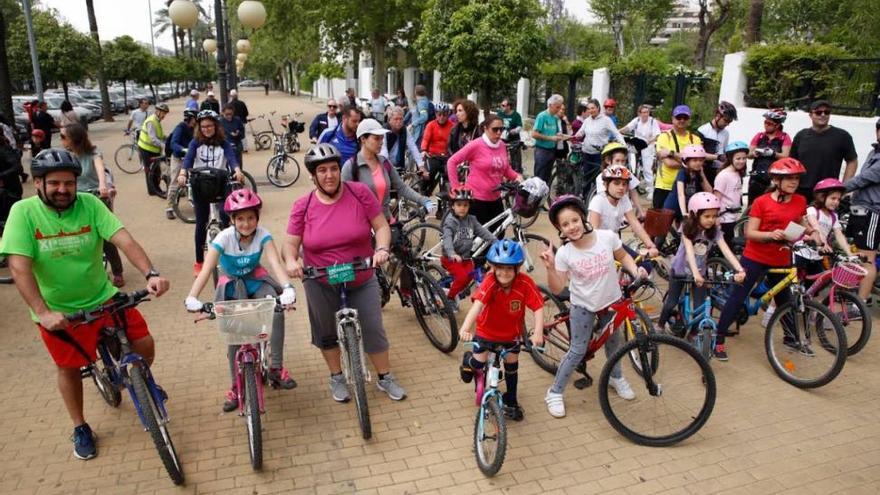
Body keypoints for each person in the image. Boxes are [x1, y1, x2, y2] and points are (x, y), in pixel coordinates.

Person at [0, 148, 170, 460]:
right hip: (60, 311)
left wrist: (151, 272)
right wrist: (43, 313)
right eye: (54, 183)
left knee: (143, 343)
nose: (63, 190)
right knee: (68, 368)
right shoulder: (22, 213)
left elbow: (124, 239)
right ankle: (80, 426)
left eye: (69, 183)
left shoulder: (90, 204)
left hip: (103, 297)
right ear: (38, 183)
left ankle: (140, 382)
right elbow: (19, 268)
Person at [283, 143, 407, 402]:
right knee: (326, 330)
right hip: (320, 279)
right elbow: (290, 243)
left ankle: (385, 377)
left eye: (333, 169)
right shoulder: (302, 205)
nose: (329, 175)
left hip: (360, 275)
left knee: (373, 326)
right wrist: (292, 261)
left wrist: (382, 249)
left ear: (340, 170)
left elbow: (381, 226)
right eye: (322, 170)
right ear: (313, 176)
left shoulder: (360, 193)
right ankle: (336, 376)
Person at [184, 189, 298, 411]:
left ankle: (276, 367)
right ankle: (236, 386)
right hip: (232, 285)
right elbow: (207, 269)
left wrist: (287, 288)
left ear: (257, 218)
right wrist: (192, 297)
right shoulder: (223, 238)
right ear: (232, 220)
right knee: (234, 336)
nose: (246, 223)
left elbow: (275, 263)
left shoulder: (263, 235)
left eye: (251, 217)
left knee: (276, 308)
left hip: (256, 280)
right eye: (241, 218)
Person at [541, 195, 646, 418]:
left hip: (611, 302)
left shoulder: (606, 237)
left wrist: (636, 271)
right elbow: (559, 287)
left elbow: (623, 256)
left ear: (583, 218)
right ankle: (555, 391)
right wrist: (551, 268)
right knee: (578, 350)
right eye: (565, 224)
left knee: (613, 343)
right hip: (583, 306)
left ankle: (616, 377)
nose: (572, 227)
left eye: (574, 220)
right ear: (560, 229)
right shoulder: (566, 254)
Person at [712, 158, 819, 361]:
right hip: (756, 256)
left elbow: (800, 221)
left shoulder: (800, 200)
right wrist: (770, 235)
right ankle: (718, 339)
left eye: (796, 178)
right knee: (738, 296)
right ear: (776, 180)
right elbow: (750, 233)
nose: (794, 182)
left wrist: (812, 231)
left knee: (784, 300)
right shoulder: (762, 202)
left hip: (781, 258)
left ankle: (791, 338)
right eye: (788, 179)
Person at [458, 239, 544, 421]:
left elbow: (538, 307)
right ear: (493, 267)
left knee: (512, 366)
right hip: (486, 332)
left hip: (511, 335)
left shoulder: (525, 283)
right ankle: (468, 361)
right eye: (500, 268)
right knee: (477, 364)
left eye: (509, 268)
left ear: (517, 268)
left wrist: (538, 332)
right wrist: (465, 328)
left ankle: (511, 401)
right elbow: (477, 306)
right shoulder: (489, 282)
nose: (504, 273)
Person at [656, 193, 745, 335]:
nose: (711, 220)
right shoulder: (687, 227)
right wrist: (695, 273)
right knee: (671, 302)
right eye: (707, 216)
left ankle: (694, 334)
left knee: (700, 306)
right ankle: (660, 326)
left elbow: (726, 250)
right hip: (680, 270)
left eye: (714, 216)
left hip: (700, 273)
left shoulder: (714, 231)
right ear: (695, 214)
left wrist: (740, 269)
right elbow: (690, 251)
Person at [177, 110, 244, 277]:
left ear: (216, 126)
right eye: (203, 126)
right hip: (200, 184)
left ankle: (230, 254)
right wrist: (183, 172)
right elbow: (188, 159)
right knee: (201, 222)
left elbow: (231, 158)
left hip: (220, 183)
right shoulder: (195, 143)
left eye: (210, 125)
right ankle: (199, 261)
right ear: (199, 127)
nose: (207, 129)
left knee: (226, 215)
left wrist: (237, 170)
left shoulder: (223, 143)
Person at [60, 123, 124, 287]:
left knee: (106, 237)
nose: (61, 140)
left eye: (63, 137)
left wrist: (103, 186)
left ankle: (117, 272)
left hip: (96, 196)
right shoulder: (65, 156)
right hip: (76, 199)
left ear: (74, 138)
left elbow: (100, 168)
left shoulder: (93, 152)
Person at [342, 118, 435, 222]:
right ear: (363, 139)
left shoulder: (384, 163)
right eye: (377, 138)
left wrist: (423, 200)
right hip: (362, 226)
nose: (381, 142)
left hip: (386, 222)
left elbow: (402, 188)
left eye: (382, 138)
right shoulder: (350, 167)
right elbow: (342, 201)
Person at [447, 114, 523, 225]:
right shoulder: (476, 145)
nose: (498, 133)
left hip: (496, 198)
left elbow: (505, 169)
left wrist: (517, 177)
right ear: (485, 128)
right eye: (495, 129)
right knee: (478, 239)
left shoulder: (502, 145)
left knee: (498, 236)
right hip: (477, 199)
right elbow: (451, 162)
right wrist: (455, 188)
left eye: (501, 129)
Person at [790, 100, 858, 203]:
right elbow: (792, 162)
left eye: (826, 112)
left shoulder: (842, 136)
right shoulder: (801, 136)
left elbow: (852, 161)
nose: (823, 115)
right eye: (818, 112)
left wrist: (844, 187)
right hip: (800, 190)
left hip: (827, 191)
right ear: (810, 115)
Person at [441, 187, 496, 309]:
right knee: (462, 277)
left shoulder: (472, 220)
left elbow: (483, 232)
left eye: (465, 205)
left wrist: (496, 242)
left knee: (471, 274)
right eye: (459, 205)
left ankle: (459, 288)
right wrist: (451, 253)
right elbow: (447, 239)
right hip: (451, 258)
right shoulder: (450, 222)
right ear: (452, 206)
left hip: (465, 258)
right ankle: (449, 298)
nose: (462, 208)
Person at [844, 120, 880, 305]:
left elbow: (864, 178)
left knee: (867, 258)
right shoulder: (874, 152)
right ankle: (854, 299)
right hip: (860, 210)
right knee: (856, 254)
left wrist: (836, 188)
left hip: (873, 212)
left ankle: (861, 303)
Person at [588, 165, 658, 258]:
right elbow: (593, 232)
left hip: (614, 243)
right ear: (605, 184)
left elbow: (634, 223)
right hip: (597, 247)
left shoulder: (624, 199)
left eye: (624, 184)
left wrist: (650, 244)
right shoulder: (598, 201)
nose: (621, 187)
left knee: (644, 265)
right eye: (616, 183)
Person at [654, 104, 702, 210]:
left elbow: (699, 163)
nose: (682, 120)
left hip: (688, 186)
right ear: (672, 119)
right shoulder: (664, 137)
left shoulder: (695, 139)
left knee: (686, 222)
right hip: (665, 186)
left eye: (685, 118)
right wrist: (690, 162)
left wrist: (672, 153)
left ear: (689, 120)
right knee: (661, 221)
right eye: (678, 117)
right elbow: (669, 164)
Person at [747, 109, 791, 205]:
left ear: (777, 125)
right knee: (752, 205)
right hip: (757, 176)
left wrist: (773, 154)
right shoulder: (759, 136)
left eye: (769, 123)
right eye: (765, 122)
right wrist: (754, 153)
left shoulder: (784, 137)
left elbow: (786, 156)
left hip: (774, 178)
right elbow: (748, 154)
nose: (766, 125)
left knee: (771, 205)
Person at [619, 104, 661, 199]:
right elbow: (627, 128)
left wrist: (647, 142)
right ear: (639, 113)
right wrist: (617, 131)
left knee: (647, 168)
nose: (646, 114)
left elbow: (657, 135)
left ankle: (651, 189)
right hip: (636, 145)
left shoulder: (652, 122)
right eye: (644, 112)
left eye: (647, 112)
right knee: (631, 165)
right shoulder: (637, 120)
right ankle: (630, 187)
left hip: (648, 146)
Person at [571, 98, 624, 173]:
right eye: (589, 109)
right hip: (586, 152)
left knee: (597, 176)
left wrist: (623, 146)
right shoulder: (587, 120)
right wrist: (578, 135)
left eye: (593, 108)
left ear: (598, 108)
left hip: (599, 154)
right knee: (587, 176)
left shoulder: (606, 120)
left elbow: (616, 133)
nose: (591, 110)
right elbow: (581, 132)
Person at [594, 142, 644, 218]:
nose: (620, 164)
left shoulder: (627, 173)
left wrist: (641, 211)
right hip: (607, 215)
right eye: (617, 161)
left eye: (623, 161)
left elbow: (633, 192)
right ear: (608, 160)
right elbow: (604, 198)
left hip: (623, 214)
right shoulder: (601, 177)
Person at [714, 141, 749, 246]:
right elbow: (716, 198)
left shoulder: (737, 173)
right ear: (730, 159)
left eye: (744, 158)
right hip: (724, 219)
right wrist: (716, 218)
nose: (742, 161)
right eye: (738, 158)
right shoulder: (723, 175)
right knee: (725, 248)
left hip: (734, 217)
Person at [165, 109, 198, 220]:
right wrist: (183, 149)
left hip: (189, 157)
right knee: (175, 181)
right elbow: (173, 143)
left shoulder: (194, 129)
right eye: (195, 118)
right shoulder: (180, 127)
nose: (196, 120)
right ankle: (169, 208)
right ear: (190, 119)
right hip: (178, 157)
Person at [664, 144, 712, 220]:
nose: (698, 163)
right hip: (674, 204)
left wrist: (702, 175)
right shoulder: (682, 172)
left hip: (686, 205)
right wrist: (684, 213)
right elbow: (681, 194)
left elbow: (709, 191)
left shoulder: (697, 173)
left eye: (700, 160)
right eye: (694, 160)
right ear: (686, 161)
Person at [696, 101, 737, 186]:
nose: (727, 124)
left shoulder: (726, 133)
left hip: (718, 172)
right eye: (726, 120)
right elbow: (698, 154)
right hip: (704, 170)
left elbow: (724, 152)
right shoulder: (703, 130)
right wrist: (718, 157)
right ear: (718, 116)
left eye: (729, 122)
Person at [531, 94, 567, 185]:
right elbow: (534, 134)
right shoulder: (542, 116)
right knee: (539, 177)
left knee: (547, 177)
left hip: (552, 150)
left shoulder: (555, 118)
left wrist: (559, 135)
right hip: (542, 150)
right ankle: (536, 198)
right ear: (550, 105)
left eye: (560, 107)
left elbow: (556, 132)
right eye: (557, 107)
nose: (559, 110)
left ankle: (544, 197)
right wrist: (550, 138)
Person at [420, 102, 453, 197]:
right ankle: (422, 191)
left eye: (444, 114)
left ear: (448, 114)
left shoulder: (452, 126)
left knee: (448, 179)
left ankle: (442, 206)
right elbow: (425, 139)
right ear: (436, 114)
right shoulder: (431, 125)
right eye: (439, 114)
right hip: (433, 155)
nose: (442, 117)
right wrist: (423, 150)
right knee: (429, 173)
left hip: (447, 157)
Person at [136, 102, 169, 197]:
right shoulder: (151, 121)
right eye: (163, 113)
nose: (164, 116)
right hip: (146, 149)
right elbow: (153, 139)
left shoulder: (156, 120)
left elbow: (159, 135)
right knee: (150, 171)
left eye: (165, 114)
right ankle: (153, 190)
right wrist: (163, 145)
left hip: (153, 150)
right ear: (158, 111)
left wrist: (167, 138)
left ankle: (155, 189)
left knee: (156, 171)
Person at [381, 107, 425, 174]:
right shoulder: (384, 131)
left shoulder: (405, 130)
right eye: (396, 119)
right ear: (389, 120)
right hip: (385, 166)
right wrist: (389, 168)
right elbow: (383, 152)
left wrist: (421, 165)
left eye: (401, 119)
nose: (399, 122)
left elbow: (413, 147)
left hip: (399, 166)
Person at [0, 132, 23, 222]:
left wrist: (1, 176)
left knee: (13, 219)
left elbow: (18, 168)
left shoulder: (4, 150)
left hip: (10, 192)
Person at [498, 98, 524, 173]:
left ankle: (517, 172)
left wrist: (515, 130)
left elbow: (520, 126)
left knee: (515, 160)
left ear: (509, 106)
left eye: (503, 105)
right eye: (501, 105)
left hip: (514, 140)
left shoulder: (516, 115)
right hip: (502, 139)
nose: (501, 107)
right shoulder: (500, 114)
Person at [221, 103, 246, 168]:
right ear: (222, 113)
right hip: (225, 147)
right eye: (227, 114)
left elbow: (242, 133)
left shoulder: (237, 120)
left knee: (238, 166)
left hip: (237, 146)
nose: (229, 116)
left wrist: (238, 133)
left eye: (231, 114)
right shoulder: (220, 122)